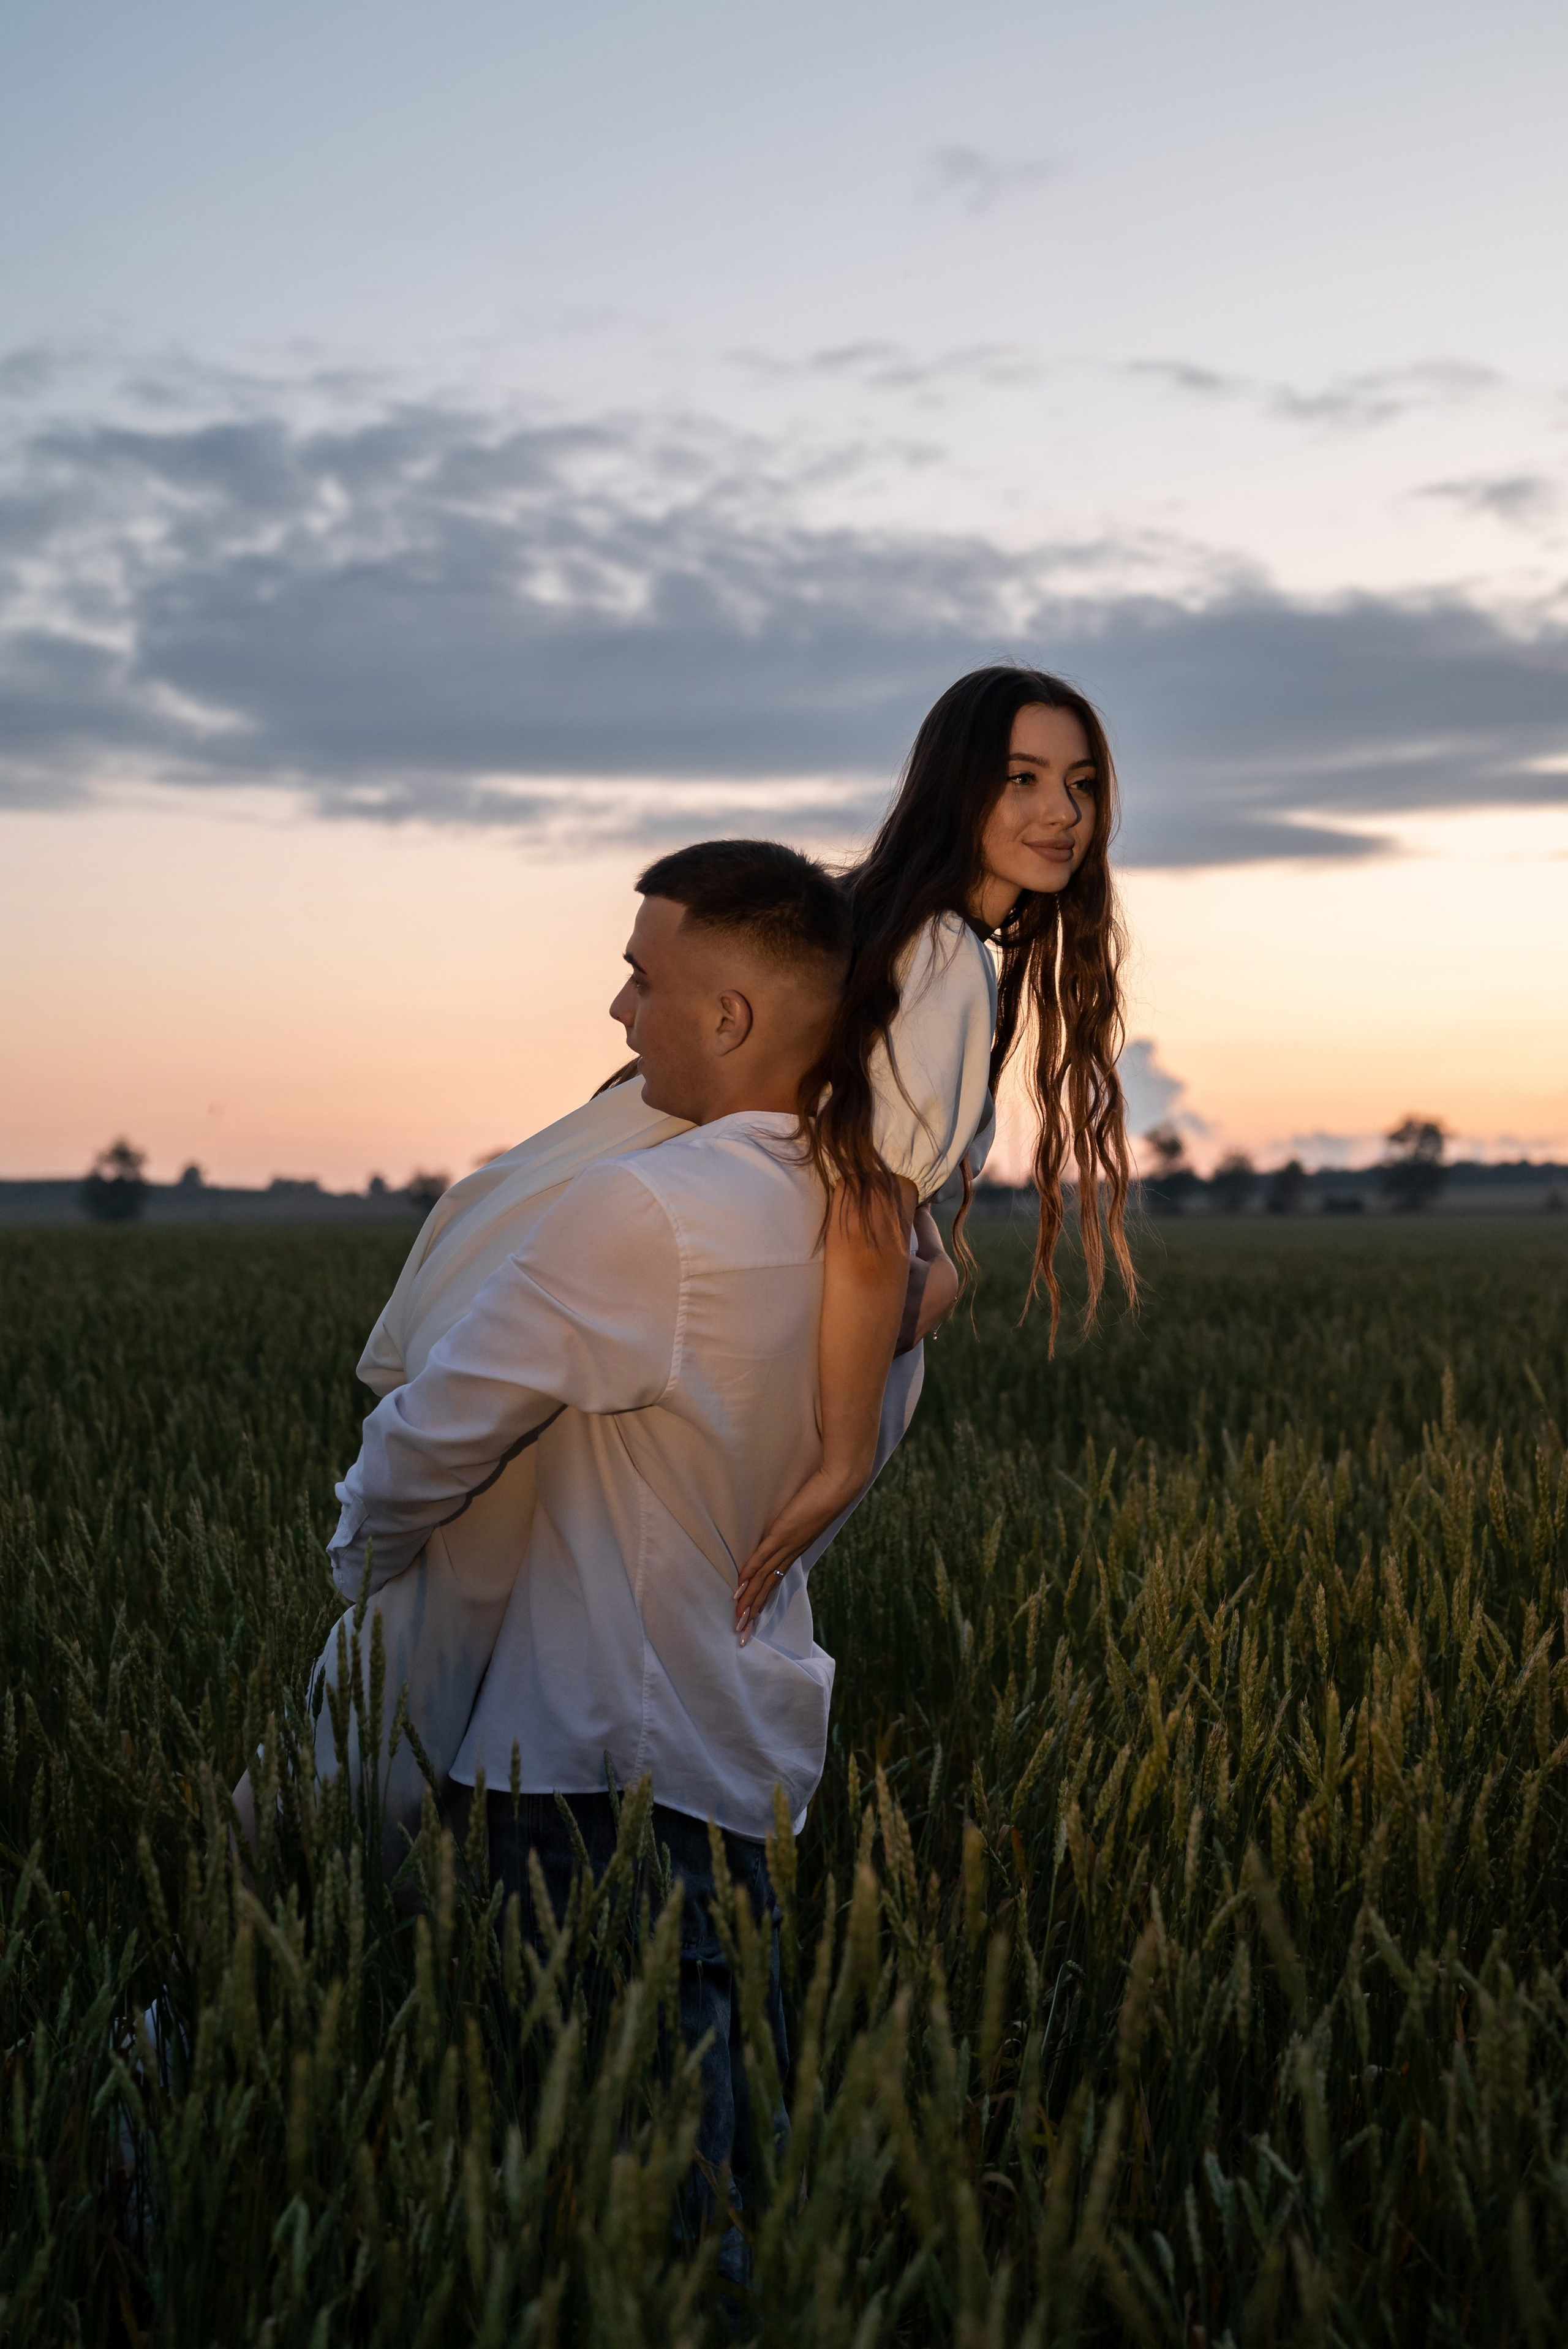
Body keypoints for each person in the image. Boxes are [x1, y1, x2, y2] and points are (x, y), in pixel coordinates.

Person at [265, 662, 1133, 1858]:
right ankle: (261, 1973)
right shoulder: (942, 956)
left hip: (622, 1341)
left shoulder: (869, 926)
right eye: (1023, 778)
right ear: (955, 787)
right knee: (452, 1713)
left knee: (425, 1693)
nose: (1061, 813)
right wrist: (841, 1446)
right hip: (694, 1367)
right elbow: (860, 1219)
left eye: (1080, 784)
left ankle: (280, 1965)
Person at [326, 839, 856, 2234]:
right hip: (745, 1756)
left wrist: (367, 1584)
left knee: (622, 2221)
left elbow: (427, 1441)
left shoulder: (643, 1210)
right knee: (729, 2178)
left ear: (729, 1016)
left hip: (583, 1774)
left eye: (641, 977)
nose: (620, 1014)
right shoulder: (872, 1232)